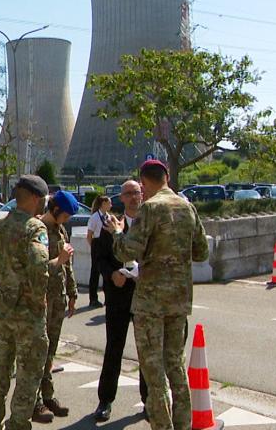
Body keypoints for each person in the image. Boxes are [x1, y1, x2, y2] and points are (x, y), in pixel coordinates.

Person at [0, 175, 72, 430]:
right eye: (43, 198)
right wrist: (53, 274)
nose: (44, 203)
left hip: (3, 312)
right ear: (35, 198)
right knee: (28, 375)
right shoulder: (35, 228)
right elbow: (39, 266)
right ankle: (18, 425)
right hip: (28, 317)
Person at [104, 160, 209, 430]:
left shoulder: (150, 208)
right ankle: (183, 425)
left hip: (151, 302)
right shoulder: (187, 207)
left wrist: (117, 232)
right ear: (167, 177)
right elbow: (201, 253)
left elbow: (127, 251)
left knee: (154, 374)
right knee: (176, 366)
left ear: (145, 182)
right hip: (179, 300)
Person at [93, 180, 146, 422]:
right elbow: (100, 258)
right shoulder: (110, 225)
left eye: (137, 193)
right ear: (121, 199)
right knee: (114, 346)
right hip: (118, 295)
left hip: (145, 294)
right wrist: (111, 274)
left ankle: (149, 401)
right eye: (129, 194)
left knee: (147, 350)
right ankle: (105, 400)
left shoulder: (150, 223)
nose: (134, 197)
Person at [31, 191, 78, 424]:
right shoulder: (38, 230)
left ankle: (48, 395)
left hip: (57, 298)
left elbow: (67, 266)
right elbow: (37, 269)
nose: (67, 220)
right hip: (42, 299)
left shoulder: (60, 230)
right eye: (66, 215)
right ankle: (34, 401)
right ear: (56, 210)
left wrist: (72, 293)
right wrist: (59, 259)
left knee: (50, 351)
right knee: (38, 352)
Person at [85, 195, 112, 307]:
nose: (111, 205)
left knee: (107, 272)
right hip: (97, 244)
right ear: (103, 204)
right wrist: (94, 247)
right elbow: (89, 235)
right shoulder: (95, 217)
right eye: (109, 203)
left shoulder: (109, 217)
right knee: (95, 272)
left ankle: (108, 298)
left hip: (107, 245)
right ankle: (93, 299)